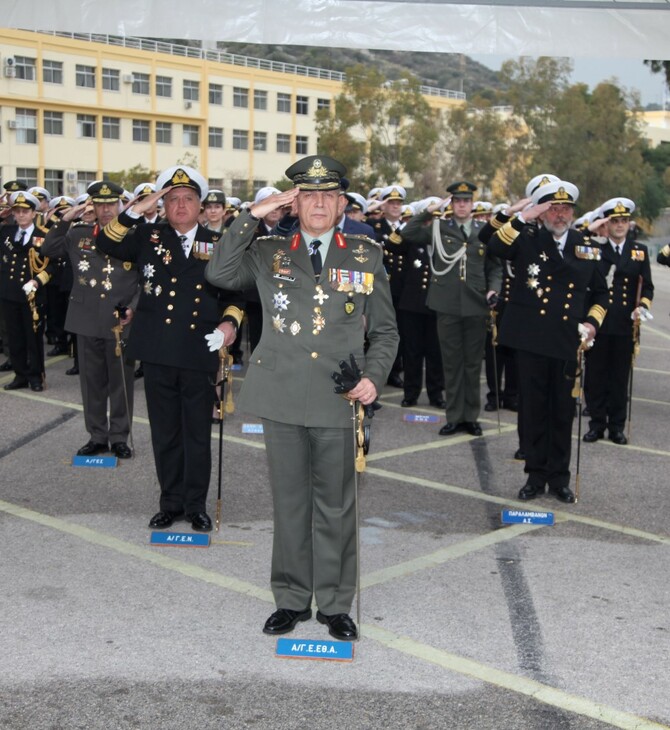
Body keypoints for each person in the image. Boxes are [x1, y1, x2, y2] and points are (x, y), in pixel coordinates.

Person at [205, 155, 399, 641]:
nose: (318, 204)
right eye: (307, 195)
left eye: (327, 196)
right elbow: (219, 272)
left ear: (340, 204)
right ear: (295, 202)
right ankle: (291, 599)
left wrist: (374, 377)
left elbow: (386, 330)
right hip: (283, 394)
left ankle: (334, 604)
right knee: (290, 503)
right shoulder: (269, 250)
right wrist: (253, 214)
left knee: (336, 505)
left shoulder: (364, 254)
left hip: (340, 395)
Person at [95, 166, 244, 532]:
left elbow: (236, 294)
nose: (180, 205)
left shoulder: (217, 242)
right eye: (172, 199)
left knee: (196, 432)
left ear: (201, 205)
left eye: (188, 199)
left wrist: (230, 324)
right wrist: (134, 209)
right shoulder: (147, 236)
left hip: (197, 350)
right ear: (162, 205)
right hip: (158, 350)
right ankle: (170, 502)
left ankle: (195, 505)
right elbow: (106, 242)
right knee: (164, 432)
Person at [487, 180, 608, 503]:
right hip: (531, 339)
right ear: (542, 212)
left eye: (565, 208)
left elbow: (600, 294)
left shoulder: (587, 246)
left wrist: (592, 323)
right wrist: (524, 216)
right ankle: (535, 476)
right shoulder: (527, 238)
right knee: (533, 410)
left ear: (572, 213)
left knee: (562, 411)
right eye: (552, 208)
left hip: (567, 340)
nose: (559, 214)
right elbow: (494, 246)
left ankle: (559, 479)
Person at [43, 181, 141, 459]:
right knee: (92, 384)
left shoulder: (134, 236)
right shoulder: (79, 234)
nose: (106, 209)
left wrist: (133, 307)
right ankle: (97, 435)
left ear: (120, 205)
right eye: (100, 204)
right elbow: (48, 251)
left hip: (119, 320)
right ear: (92, 206)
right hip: (86, 319)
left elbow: (145, 280)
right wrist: (65, 219)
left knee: (121, 385)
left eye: (111, 204)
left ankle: (120, 437)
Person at [402, 181, 502, 436]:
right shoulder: (438, 227)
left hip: (476, 304)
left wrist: (493, 289)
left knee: (471, 365)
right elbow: (408, 232)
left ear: (472, 205)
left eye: (466, 201)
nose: (461, 205)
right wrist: (430, 210)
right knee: (451, 363)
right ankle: (454, 416)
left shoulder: (484, 231)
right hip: (446, 305)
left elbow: (495, 267)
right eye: (457, 201)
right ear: (452, 204)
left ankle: (471, 416)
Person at [582, 198, 653, 445]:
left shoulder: (639, 251)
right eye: (614, 221)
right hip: (600, 323)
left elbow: (648, 287)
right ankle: (596, 424)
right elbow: (578, 239)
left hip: (624, 324)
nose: (620, 225)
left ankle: (616, 427)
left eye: (624, 221)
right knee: (596, 377)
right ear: (606, 224)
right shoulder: (595, 250)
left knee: (619, 379)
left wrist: (642, 308)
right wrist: (593, 226)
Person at [0, 191, 54, 392]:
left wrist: (37, 281)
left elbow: (52, 266)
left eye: (25, 211)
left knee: (33, 338)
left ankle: (36, 376)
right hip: (9, 294)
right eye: (17, 211)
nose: (21, 215)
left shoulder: (42, 235)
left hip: (32, 296)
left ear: (33, 213)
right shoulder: (6, 232)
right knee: (15, 338)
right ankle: (20, 374)